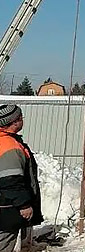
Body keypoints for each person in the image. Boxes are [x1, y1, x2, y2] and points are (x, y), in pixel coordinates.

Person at [0, 105, 42, 252]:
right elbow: (10, 179)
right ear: (14, 121)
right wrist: (23, 205)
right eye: (21, 117)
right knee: (4, 244)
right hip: (6, 208)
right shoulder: (9, 146)